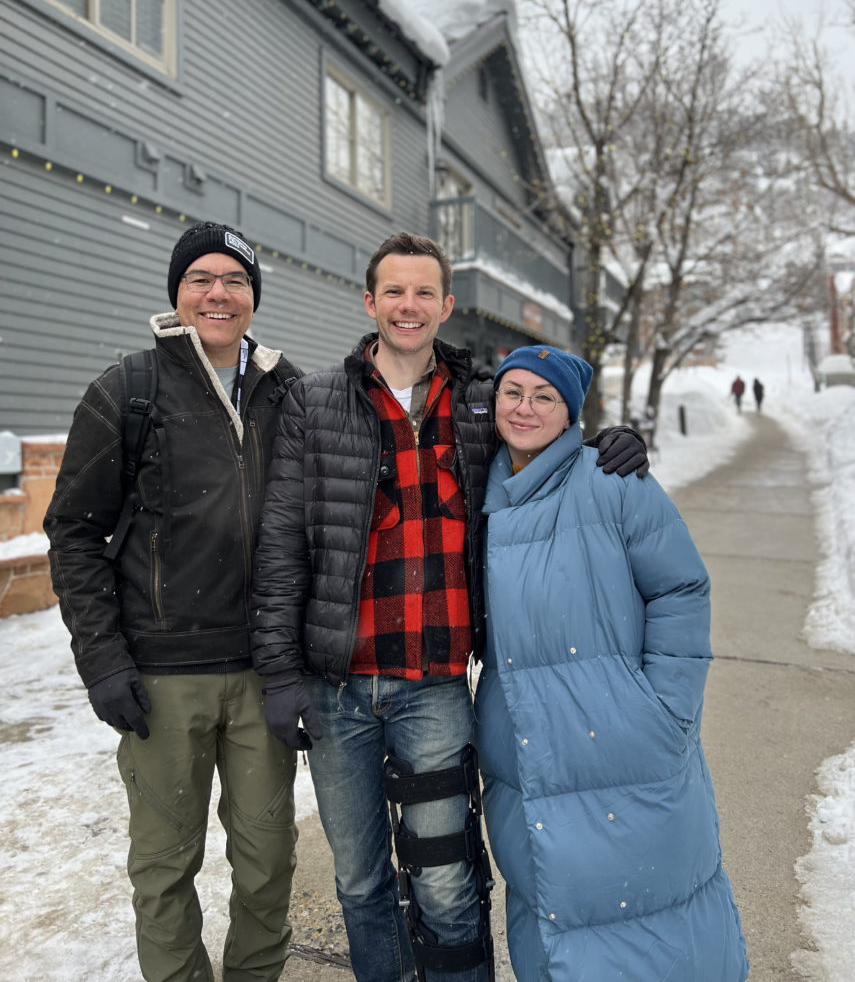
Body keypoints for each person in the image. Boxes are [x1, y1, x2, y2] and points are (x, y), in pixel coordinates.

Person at [249, 232, 649, 982]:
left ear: (445, 305)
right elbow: (281, 544)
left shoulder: (477, 398)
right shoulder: (315, 402)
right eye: (393, 292)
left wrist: (608, 445)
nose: (408, 306)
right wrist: (278, 674)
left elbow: (544, 438)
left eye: (423, 292)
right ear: (369, 302)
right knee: (361, 881)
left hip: (431, 685)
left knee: (444, 879)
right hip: (338, 689)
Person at [44, 222, 302, 982]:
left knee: (266, 866)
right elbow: (74, 533)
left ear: (254, 297)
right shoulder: (126, 391)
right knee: (164, 869)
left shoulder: (289, 392)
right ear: (177, 293)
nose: (218, 293)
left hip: (263, 673)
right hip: (160, 678)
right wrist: (102, 661)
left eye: (235, 279)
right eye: (201, 279)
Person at [474, 344, 749, 982]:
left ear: (571, 412)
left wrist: (666, 709)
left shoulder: (611, 480)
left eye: (545, 396)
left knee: (656, 907)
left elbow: (680, 589)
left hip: (626, 744)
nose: (525, 407)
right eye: (514, 392)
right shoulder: (482, 492)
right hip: (526, 754)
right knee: (551, 910)